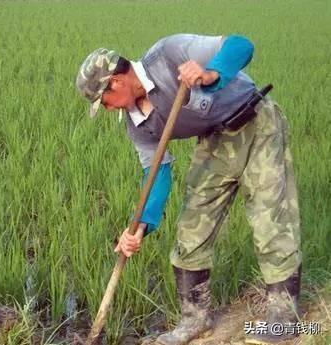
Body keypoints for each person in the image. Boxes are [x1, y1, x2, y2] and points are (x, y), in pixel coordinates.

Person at [75, 34, 302, 345]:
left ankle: (284, 318)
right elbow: (156, 172)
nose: (106, 109)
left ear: (116, 81)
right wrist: (140, 225)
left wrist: (211, 74)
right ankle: (195, 319)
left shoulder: (168, 54)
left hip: (256, 123)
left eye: (103, 101)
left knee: (269, 219)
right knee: (191, 228)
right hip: (215, 140)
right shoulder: (136, 123)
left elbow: (241, 44)